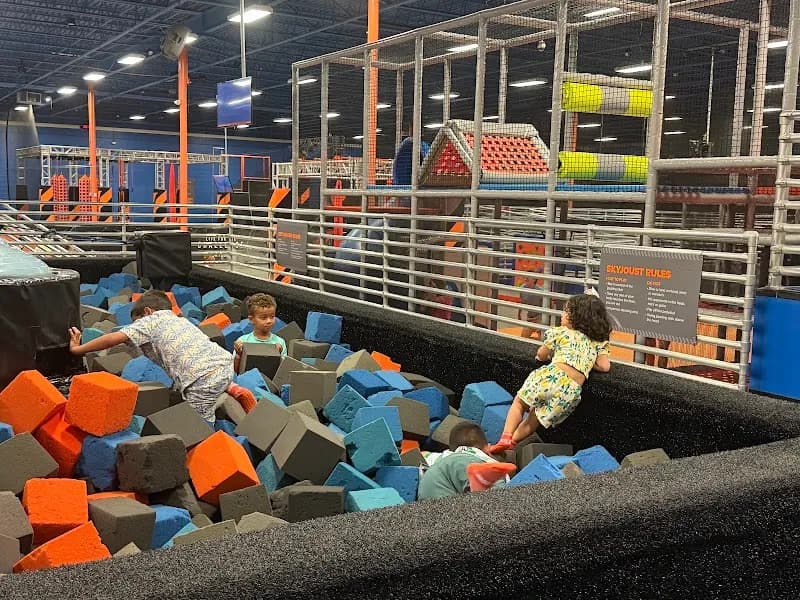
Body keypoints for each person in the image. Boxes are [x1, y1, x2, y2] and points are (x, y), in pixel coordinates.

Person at [68, 290, 257, 422]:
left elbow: (112, 339)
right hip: (224, 364)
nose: (136, 327)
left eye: (136, 321)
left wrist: (79, 349)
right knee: (201, 371)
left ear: (148, 312)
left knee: (196, 427)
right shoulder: (178, 320)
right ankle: (234, 389)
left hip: (201, 380)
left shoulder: (149, 321)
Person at [490, 293, 612, 454]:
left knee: (520, 403)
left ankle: (505, 437)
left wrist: (544, 356)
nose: (562, 315)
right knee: (534, 420)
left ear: (576, 317)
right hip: (571, 391)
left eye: (566, 312)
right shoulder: (598, 342)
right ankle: (512, 443)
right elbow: (604, 366)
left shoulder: (561, 332)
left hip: (552, 377)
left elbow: (541, 355)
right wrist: (586, 361)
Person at [418, 422, 516, 500]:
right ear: (487, 448)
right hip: (473, 474)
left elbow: (423, 454)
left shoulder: (442, 457)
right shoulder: (485, 461)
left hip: (428, 506)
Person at [233, 293, 287, 373]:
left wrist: (278, 356)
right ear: (251, 319)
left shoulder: (280, 342)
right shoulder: (243, 341)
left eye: (272, 316)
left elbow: (282, 373)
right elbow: (235, 371)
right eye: (263, 318)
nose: (269, 321)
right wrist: (238, 355)